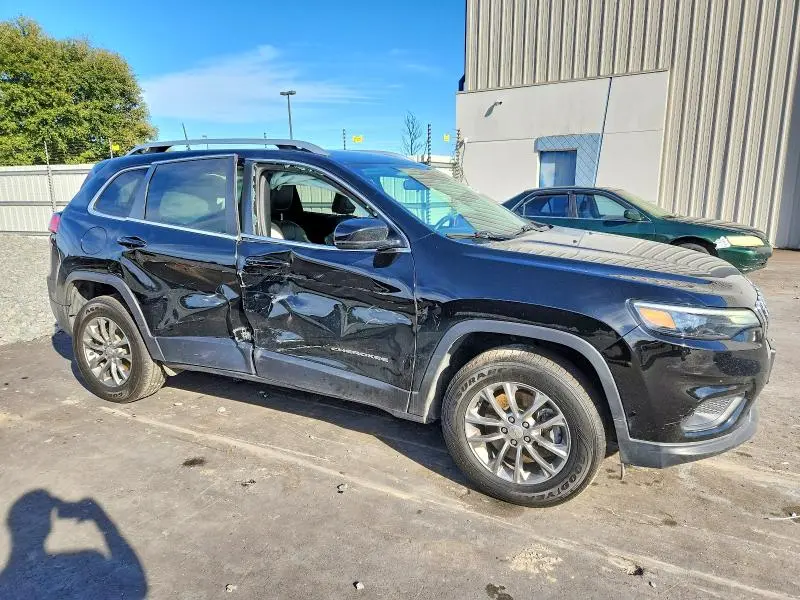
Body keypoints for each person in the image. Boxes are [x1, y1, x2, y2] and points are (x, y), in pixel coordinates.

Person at [0, 489, 147, 599]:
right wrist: (100, 518)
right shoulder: (87, 562)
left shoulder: (5, 586)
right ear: (48, 527)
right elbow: (137, 585)